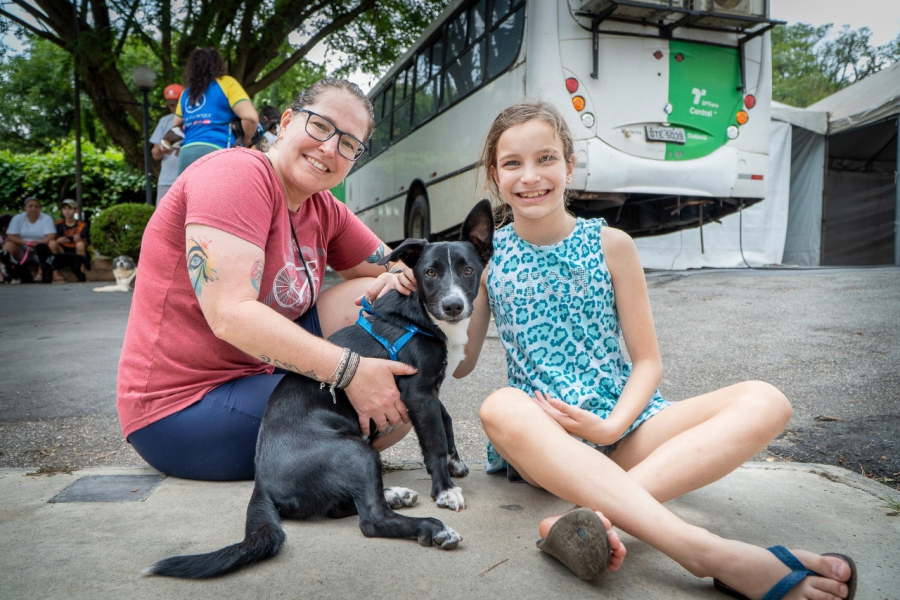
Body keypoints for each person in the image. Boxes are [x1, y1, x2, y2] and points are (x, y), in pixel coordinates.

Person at [441, 101, 856, 598]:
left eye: (546, 159)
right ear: (494, 175)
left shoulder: (611, 244)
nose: (530, 176)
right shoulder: (485, 259)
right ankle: (707, 551)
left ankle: (591, 518)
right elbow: (461, 364)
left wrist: (612, 424)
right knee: (498, 405)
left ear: (569, 166)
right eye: (512, 163)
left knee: (767, 399)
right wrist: (414, 296)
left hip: (627, 429)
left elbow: (648, 361)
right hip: (546, 441)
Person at [117, 78, 418, 482]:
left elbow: (401, 271)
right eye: (321, 126)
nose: (329, 148)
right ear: (287, 121)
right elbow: (230, 314)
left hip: (257, 373)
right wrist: (351, 371)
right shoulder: (236, 174)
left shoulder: (323, 207)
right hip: (181, 408)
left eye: (349, 143)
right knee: (383, 405)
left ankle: (329, 456)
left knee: (385, 303)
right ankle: (330, 467)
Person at [173, 47, 259, 174]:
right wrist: (246, 141)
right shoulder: (226, 83)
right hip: (217, 150)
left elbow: (176, 125)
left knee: (189, 194)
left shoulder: (186, 93)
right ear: (217, 64)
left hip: (186, 154)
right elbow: (250, 118)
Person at [1, 197, 56, 283]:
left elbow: (51, 236)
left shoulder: (46, 218)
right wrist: (26, 243)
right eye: (30, 206)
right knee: (8, 246)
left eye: (36, 206)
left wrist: (40, 243)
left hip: (40, 250)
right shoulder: (17, 218)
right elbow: (11, 236)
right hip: (22, 250)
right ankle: (5, 274)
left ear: (39, 208)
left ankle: (41, 273)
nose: (33, 208)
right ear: (24, 208)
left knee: (53, 243)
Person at [149, 83, 185, 203]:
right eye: (170, 105)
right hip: (167, 180)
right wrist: (161, 148)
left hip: (189, 180)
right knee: (162, 220)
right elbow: (155, 155)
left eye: (176, 104)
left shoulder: (195, 120)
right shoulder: (165, 121)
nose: (174, 108)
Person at [47, 199, 89, 282]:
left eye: (70, 209)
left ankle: (82, 272)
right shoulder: (57, 224)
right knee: (52, 243)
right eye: (64, 209)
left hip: (76, 251)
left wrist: (80, 239)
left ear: (75, 210)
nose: (67, 211)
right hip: (62, 251)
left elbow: (87, 241)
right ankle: (55, 273)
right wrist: (58, 241)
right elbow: (52, 238)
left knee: (80, 244)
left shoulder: (82, 225)